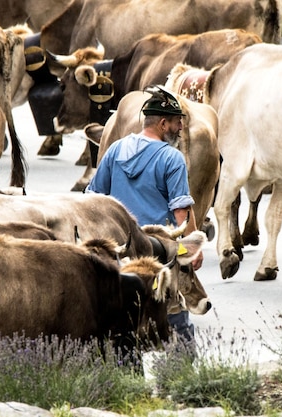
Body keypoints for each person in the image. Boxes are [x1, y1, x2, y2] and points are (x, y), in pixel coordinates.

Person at [86, 85, 203, 342]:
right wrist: (190, 250)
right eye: (176, 122)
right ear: (162, 123)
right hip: (157, 252)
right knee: (172, 311)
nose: (181, 128)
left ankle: (126, 370)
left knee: (122, 316)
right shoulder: (171, 158)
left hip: (119, 252)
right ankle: (181, 369)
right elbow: (180, 210)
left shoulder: (115, 150)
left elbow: (93, 199)